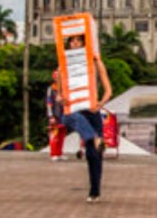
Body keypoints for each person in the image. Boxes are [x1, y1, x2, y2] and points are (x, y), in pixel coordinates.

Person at [60, 33, 113, 203]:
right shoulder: (63, 66)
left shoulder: (96, 62)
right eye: (72, 41)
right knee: (66, 117)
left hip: (91, 110)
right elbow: (60, 95)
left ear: (84, 44)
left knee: (93, 155)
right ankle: (94, 137)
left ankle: (94, 191)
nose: (74, 44)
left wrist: (100, 103)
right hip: (74, 110)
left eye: (78, 41)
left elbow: (108, 90)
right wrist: (61, 99)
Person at [46, 70, 69, 162]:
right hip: (55, 115)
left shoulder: (65, 89)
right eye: (57, 77)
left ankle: (59, 153)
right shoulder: (51, 89)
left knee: (62, 135)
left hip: (63, 115)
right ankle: (53, 153)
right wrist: (51, 116)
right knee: (54, 135)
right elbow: (48, 104)